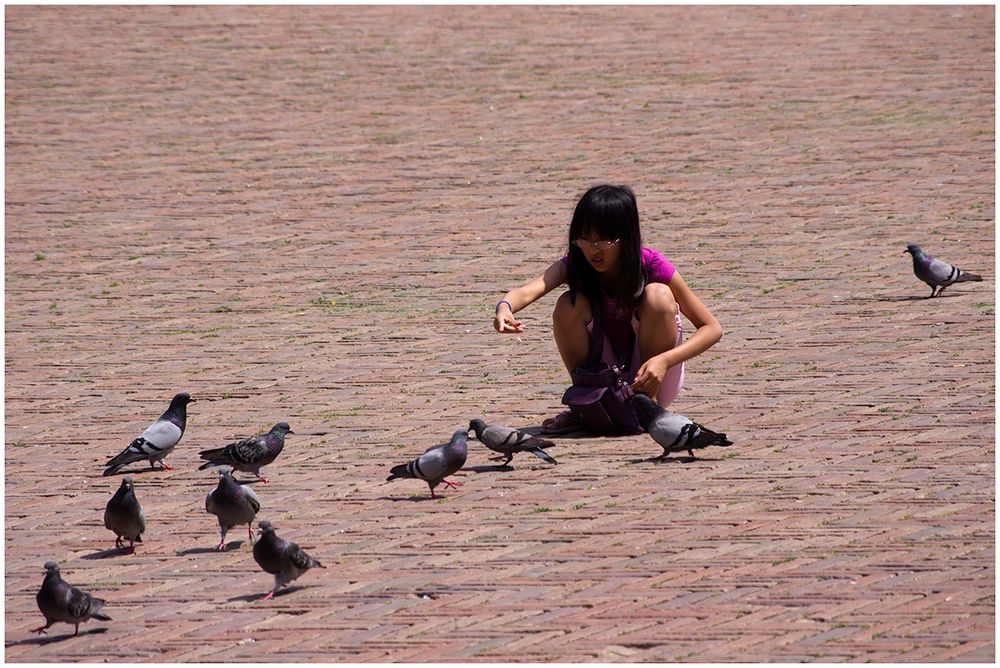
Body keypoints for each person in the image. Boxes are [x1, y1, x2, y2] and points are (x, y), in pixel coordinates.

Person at [493, 184, 723, 434]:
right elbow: (529, 290)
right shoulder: (576, 265)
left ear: (626, 237)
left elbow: (711, 328)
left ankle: (648, 407)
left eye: (604, 240)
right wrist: (504, 307)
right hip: (602, 371)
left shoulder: (652, 265)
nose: (593, 249)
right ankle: (587, 403)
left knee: (658, 295)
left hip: (653, 373)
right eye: (584, 238)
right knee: (567, 304)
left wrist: (664, 360)